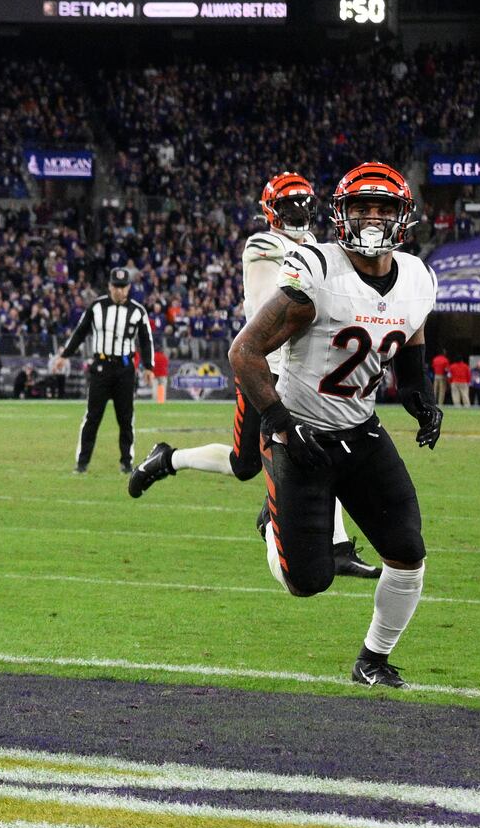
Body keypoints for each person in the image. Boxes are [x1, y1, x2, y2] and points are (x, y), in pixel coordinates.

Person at [228, 163, 441, 689]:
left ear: (402, 216)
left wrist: (422, 400)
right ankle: (271, 523)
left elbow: (409, 348)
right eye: (362, 208)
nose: (372, 218)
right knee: (308, 582)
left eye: (383, 208)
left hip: (362, 432)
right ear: (340, 215)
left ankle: (373, 659)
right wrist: (278, 422)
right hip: (301, 435)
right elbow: (245, 352)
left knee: (408, 551)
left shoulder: (418, 276)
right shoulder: (318, 267)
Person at [128, 174, 375, 578]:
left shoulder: (316, 247)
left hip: (298, 368)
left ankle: (334, 545)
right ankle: (168, 459)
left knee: (301, 447)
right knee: (257, 461)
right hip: (266, 370)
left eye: (303, 203)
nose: (298, 211)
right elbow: (268, 307)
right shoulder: (264, 245)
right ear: (272, 212)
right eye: (289, 205)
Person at [53, 267, 152, 474]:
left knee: (126, 418)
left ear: (129, 288)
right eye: (116, 287)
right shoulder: (97, 307)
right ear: (109, 286)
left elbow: (146, 340)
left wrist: (149, 367)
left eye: (123, 287)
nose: (119, 291)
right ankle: (82, 463)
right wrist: (64, 355)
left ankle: (126, 462)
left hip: (125, 369)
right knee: (92, 417)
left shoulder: (137, 311)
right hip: (100, 368)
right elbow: (80, 332)